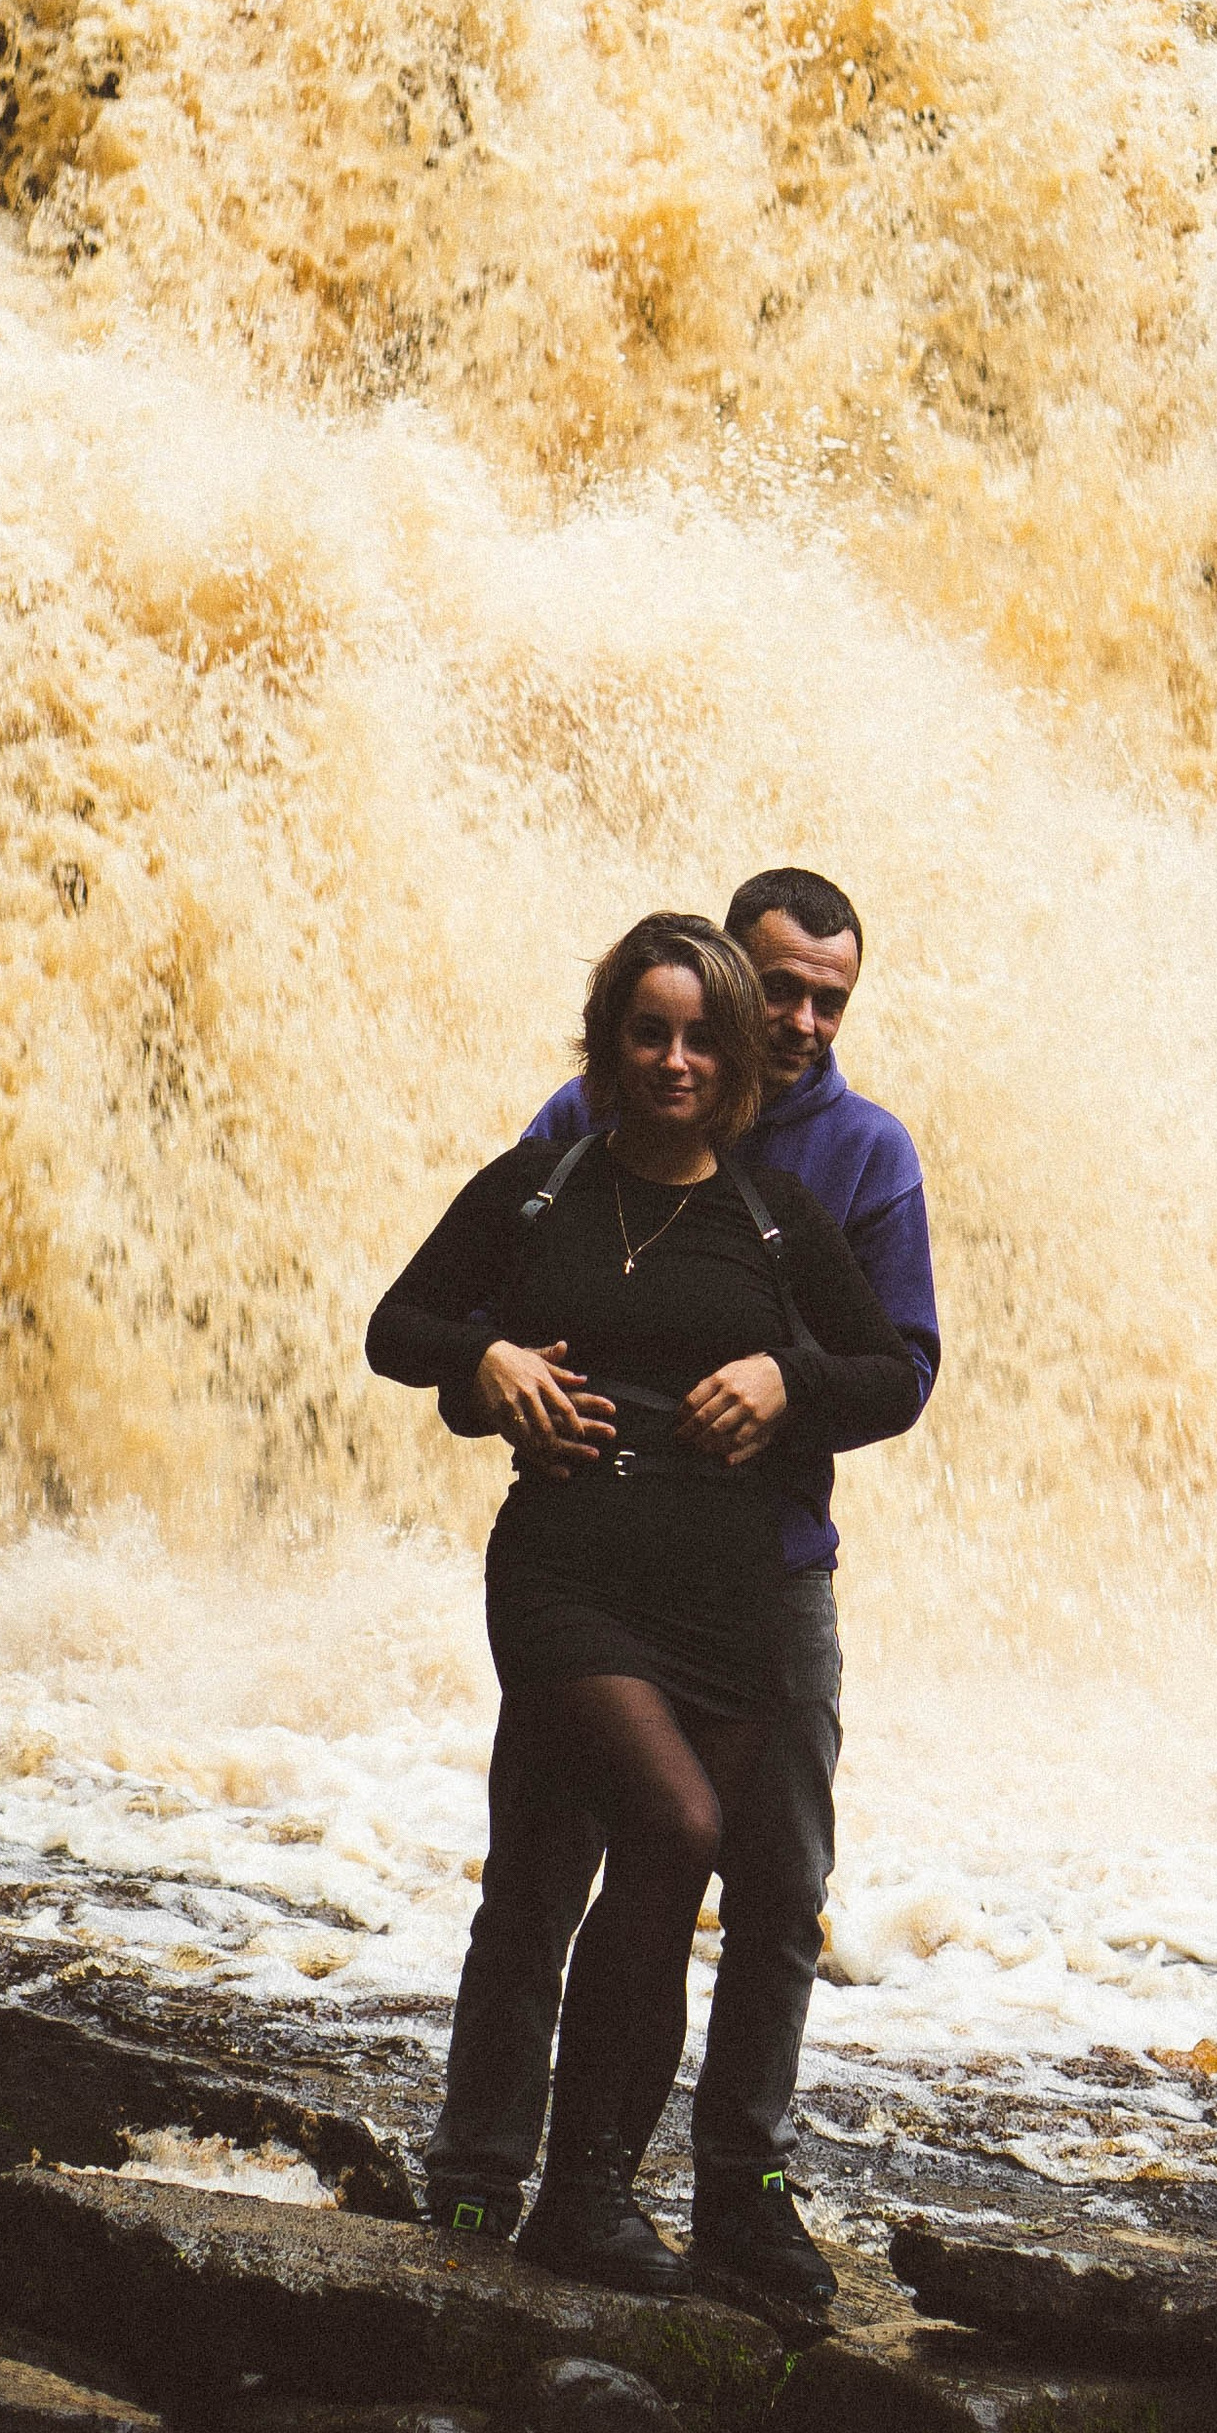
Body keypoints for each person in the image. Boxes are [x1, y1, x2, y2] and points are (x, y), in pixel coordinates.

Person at [366, 912, 915, 2298]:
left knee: (693, 1881)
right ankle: (504, 2184)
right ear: (612, 1040)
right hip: (569, 1570)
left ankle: (619, 2189)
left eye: (703, 1037)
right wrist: (484, 1366)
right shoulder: (550, 1172)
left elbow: (890, 1372)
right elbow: (407, 1331)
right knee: (640, 1837)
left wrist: (793, 1380)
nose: (680, 1058)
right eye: (650, 1032)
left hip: (732, 1588)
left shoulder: (795, 1204)